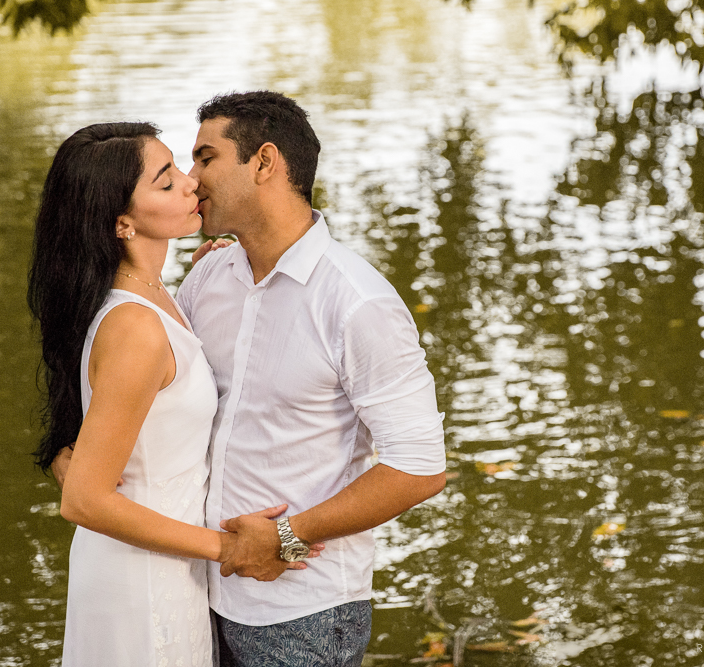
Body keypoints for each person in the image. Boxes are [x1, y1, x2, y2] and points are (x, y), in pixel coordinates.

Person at [28, 122, 317, 667]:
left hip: (167, 561)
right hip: (143, 576)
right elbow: (84, 498)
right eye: (165, 183)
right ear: (121, 223)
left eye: (181, 168)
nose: (191, 184)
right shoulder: (136, 327)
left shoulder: (157, 295)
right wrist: (229, 548)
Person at [180, 91, 447, 666]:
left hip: (301, 613)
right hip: (197, 592)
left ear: (265, 162)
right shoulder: (204, 281)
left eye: (205, 158)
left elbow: (419, 467)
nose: (189, 177)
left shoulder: (357, 301)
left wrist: (286, 536)